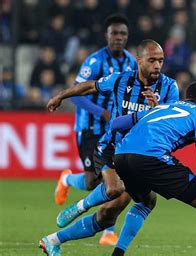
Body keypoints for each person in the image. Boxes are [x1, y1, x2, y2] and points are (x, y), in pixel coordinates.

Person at [39, 39, 179, 256]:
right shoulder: (120, 80)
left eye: (160, 60)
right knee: (115, 189)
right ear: (139, 59)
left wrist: (157, 109)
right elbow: (89, 86)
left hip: (140, 156)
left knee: (108, 214)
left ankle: (52, 240)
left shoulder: (170, 87)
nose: (157, 65)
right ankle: (80, 206)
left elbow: (173, 124)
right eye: (152, 60)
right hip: (111, 148)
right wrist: (61, 95)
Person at [110, 81, 196, 256]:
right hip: (151, 157)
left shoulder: (163, 107)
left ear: (187, 97)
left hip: (121, 156)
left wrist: (123, 147)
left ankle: (117, 254)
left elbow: (116, 124)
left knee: (146, 201)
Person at [54, 13, 136, 245]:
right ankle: (68, 180)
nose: (118, 37)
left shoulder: (131, 62)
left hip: (115, 131)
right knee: (93, 182)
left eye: (122, 34)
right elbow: (77, 95)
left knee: (113, 179)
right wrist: (102, 112)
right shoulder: (94, 61)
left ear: (127, 37)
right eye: (114, 33)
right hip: (90, 128)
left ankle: (108, 232)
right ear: (107, 36)